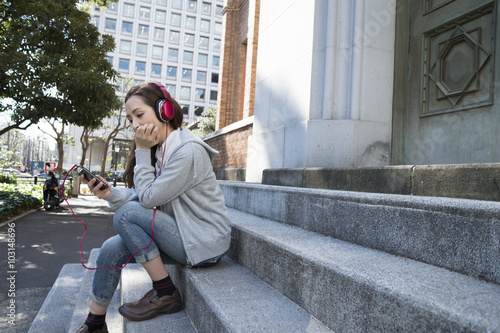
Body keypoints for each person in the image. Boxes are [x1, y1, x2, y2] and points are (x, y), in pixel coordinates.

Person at [76, 82, 232, 333]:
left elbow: (147, 200)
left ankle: (165, 291)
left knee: (125, 216)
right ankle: (94, 323)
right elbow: (147, 196)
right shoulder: (164, 150)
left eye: (139, 115)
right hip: (181, 232)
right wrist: (110, 193)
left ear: (164, 111)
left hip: (204, 242)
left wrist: (142, 150)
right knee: (110, 248)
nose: (135, 125)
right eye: (130, 119)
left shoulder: (187, 151)